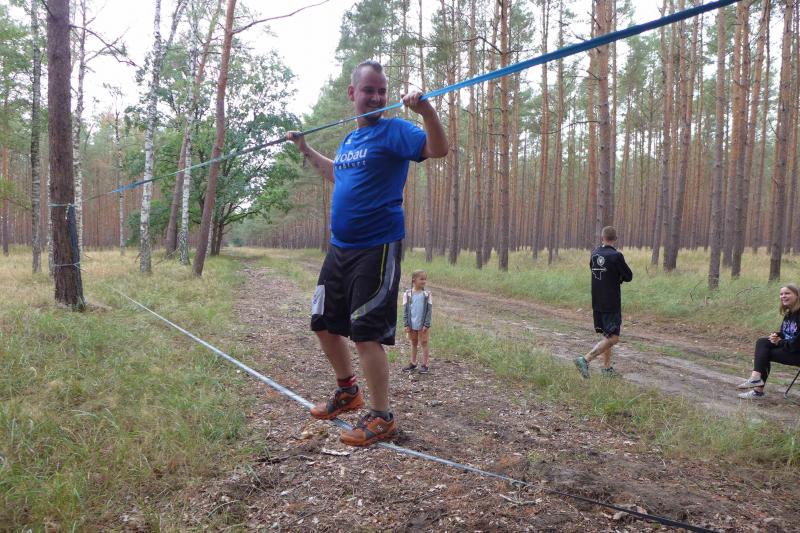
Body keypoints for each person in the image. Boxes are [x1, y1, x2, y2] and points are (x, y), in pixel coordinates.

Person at [287, 60, 448, 446]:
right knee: (322, 322)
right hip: (339, 248)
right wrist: (305, 149)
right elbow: (337, 173)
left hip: (376, 247)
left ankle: (381, 416)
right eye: (368, 90)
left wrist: (426, 110)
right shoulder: (350, 141)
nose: (376, 97)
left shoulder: (395, 130)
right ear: (352, 93)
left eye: (382, 91)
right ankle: (348, 392)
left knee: (365, 332)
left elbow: (439, 149)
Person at [575, 226, 633, 378]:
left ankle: (606, 369)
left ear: (602, 238)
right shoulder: (616, 256)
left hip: (597, 302)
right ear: (615, 239)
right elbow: (629, 276)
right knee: (613, 338)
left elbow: (594, 270)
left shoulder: (594, 254)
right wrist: (618, 277)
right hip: (611, 303)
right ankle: (585, 359)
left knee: (607, 336)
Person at [736, 284, 800, 399]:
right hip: (791, 349)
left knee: (765, 354)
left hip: (797, 352)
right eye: (781, 294)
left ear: (797, 295)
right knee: (762, 342)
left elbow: (797, 343)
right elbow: (787, 333)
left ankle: (757, 390)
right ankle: (756, 378)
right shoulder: (789, 313)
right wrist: (777, 335)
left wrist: (779, 342)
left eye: (787, 293)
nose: (783, 296)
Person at [402, 270, 433, 374]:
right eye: (421, 279)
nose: (424, 281)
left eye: (425, 279)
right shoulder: (407, 294)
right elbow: (405, 310)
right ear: (414, 280)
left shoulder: (427, 294)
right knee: (413, 342)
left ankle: (425, 365)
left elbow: (429, 311)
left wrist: (426, 324)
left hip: (423, 325)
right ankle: (413, 362)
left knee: (424, 343)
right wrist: (406, 324)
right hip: (412, 324)